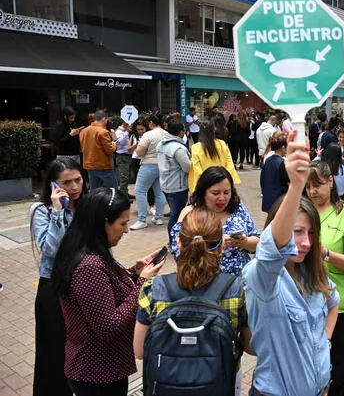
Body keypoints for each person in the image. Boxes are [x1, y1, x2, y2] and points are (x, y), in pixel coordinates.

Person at [242, 133, 340, 396]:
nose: (305, 242)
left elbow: (334, 301)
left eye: (310, 234)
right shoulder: (262, 278)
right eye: (298, 231)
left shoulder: (311, 273)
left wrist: (323, 343)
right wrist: (296, 186)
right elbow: (271, 251)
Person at [50, 188, 165, 396]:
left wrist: (134, 272)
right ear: (103, 222)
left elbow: (106, 288)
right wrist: (142, 283)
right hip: (96, 373)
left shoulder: (89, 249)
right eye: (122, 224)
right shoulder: (89, 265)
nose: (126, 230)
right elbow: (108, 326)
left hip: (103, 368)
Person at [133, 208, 253, 396]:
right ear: (222, 244)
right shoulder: (237, 290)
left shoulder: (153, 289)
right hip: (217, 385)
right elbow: (251, 346)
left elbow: (140, 351)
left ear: (179, 244)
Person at [305, 161, 344, 396]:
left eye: (317, 185)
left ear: (331, 181)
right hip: (304, 299)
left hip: (337, 303)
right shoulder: (303, 210)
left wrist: (326, 253)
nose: (312, 192)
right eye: (308, 186)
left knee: (336, 360)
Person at [30, 158, 86, 396]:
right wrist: (58, 211)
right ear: (54, 185)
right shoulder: (40, 210)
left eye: (78, 180)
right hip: (53, 289)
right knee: (53, 350)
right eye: (67, 182)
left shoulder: (87, 205)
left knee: (82, 347)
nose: (74, 187)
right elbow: (50, 250)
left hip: (83, 284)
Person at [172, 167, 259, 275]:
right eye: (215, 193)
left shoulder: (238, 208)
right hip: (204, 283)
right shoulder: (189, 213)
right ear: (203, 192)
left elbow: (258, 242)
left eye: (227, 192)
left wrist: (243, 242)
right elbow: (178, 253)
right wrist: (211, 245)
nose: (222, 198)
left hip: (240, 282)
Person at [130, 114, 171, 230]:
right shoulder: (167, 134)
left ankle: (141, 220)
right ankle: (158, 218)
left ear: (152, 123)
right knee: (159, 192)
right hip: (162, 165)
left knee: (139, 191)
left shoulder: (148, 134)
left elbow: (139, 152)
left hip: (148, 164)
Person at [157, 118, 191, 242]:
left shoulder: (161, 144)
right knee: (176, 215)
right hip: (177, 186)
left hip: (165, 184)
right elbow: (187, 168)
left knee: (174, 213)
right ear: (181, 132)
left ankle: (174, 240)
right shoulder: (178, 148)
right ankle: (174, 242)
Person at [188, 119, 240, 193]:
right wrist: (223, 179)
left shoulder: (195, 147)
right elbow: (230, 165)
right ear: (213, 130)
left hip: (205, 186)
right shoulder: (222, 144)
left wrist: (208, 182)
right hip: (223, 183)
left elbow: (197, 169)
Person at [79, 109, 117, 189]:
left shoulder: (83, 131)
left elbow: (82, 148)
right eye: (107, 119)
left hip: (89, 165)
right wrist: (114, 143)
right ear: (104, 119)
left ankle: (93, 202)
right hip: (103, 165)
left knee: (94, 189)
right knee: (113, 190)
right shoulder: (103, 132)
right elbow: (110, 150)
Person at [260, 133, 288, 212]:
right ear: (283, 148)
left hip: (268, 196)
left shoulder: (268, 160)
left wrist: (264, 192)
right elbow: (285, 182)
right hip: (279, 198)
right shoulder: (282, 163)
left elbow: (262, 178)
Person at [113, 119, 133, 199]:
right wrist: (126, 132)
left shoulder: (127, 131)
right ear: (125, 124)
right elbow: (119, 142)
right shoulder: (118, 131)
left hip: (129, 156)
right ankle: (123, 197)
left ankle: (125, 193)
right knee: (123, 178)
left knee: (127, 178)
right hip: (122, 157)